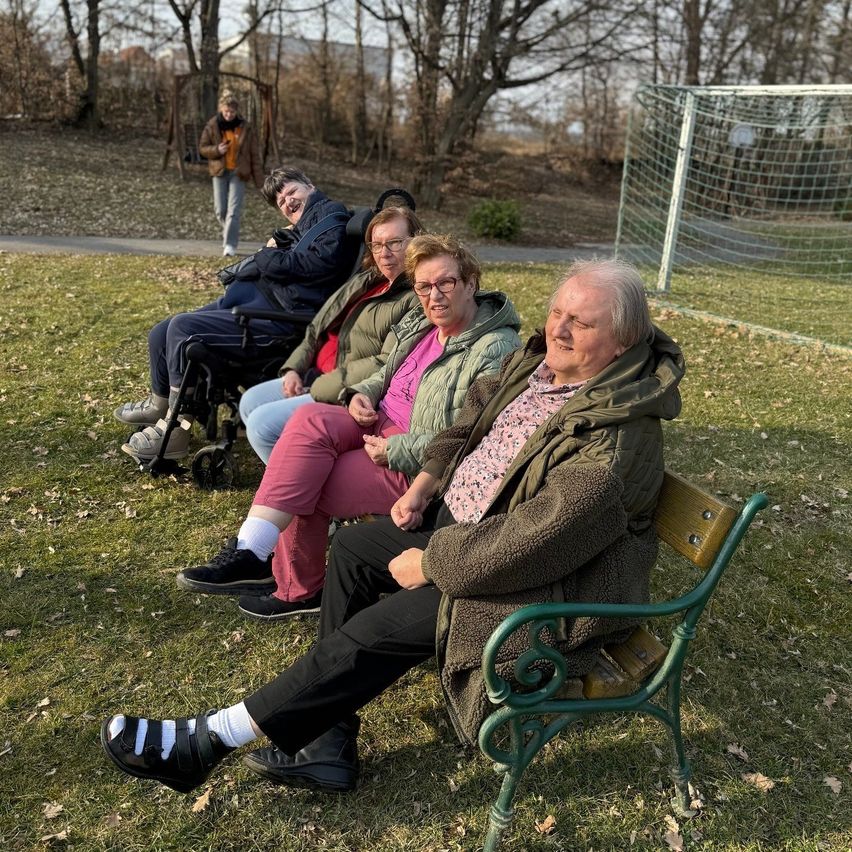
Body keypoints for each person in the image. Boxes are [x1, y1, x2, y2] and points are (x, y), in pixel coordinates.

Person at [100, 258, 684, 797]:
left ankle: (210, 740)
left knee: (375, 628)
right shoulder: (539, 366)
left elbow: (539, 540)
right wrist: (425, 484)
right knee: (354, 548)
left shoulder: (615, 438)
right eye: (557, 311)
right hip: (465, 528)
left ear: (623, 340)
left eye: (580, 323)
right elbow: (467, 422)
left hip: (535, 589)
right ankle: (327, 744)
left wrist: (431, 563)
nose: (558, 328)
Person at [174, 234, 521, 620]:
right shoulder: (424, 324)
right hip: (376, 419)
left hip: (417, 461)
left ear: (471, 283)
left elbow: (472, 434)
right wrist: (362, 393)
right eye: (423, 286)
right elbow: (387, 373)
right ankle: (253, 550)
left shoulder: (494, 347)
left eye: (446, 283)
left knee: (312, 481)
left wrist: (397, 450)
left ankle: (298, 589)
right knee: (306, 420)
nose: (433, 295)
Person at [114, 167, 356, 462]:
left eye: (292, 192)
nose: (287, 202)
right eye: (280, 201)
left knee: (181, 328)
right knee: (160, 332)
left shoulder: (330, 216)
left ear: (310, 185)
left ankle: (176, 431)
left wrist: (268, 254)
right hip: (256, 304)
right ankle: (160, 405)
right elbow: (298, 259)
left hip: (274, 321)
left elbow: (317, 263)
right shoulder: (305, 225)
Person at [238, 205, 423, 464]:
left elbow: (387, 362)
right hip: (317, 374)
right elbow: (317, 327)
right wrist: (293, 368)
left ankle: (298, 489)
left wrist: (318, 388)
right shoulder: (367, 279)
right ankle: (301, 465)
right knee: (249, 401)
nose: (384, 253)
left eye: (394, 243)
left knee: (262, 426)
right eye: (377, 244)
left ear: (416, 242)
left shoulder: (417, 295)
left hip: (347, 391)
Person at [198, 91, 264, 257]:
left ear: (237, 112)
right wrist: (217, 150)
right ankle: (230, 231)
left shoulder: (245, 128)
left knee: (233, 210)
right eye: (226, 111)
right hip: (219, 171)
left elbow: (254, 155)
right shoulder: (212, 125)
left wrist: (261, 183)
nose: (228, 115)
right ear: (221, 109)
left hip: (239, 173)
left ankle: (230, 244)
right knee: (220, 210)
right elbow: (202, 148)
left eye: (232, 112)